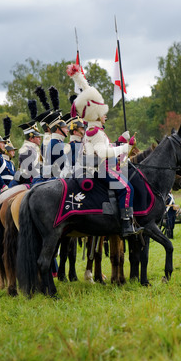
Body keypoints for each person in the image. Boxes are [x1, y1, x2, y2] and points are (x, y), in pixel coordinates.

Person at [66, 63, 141, 237]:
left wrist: (120, 142)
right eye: (103, 112)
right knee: (128, 188)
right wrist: (125, 147)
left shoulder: (94, 130)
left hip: (98, 167)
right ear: (96, 113)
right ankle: (126, 225)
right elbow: (103, 153)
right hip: (100, 170)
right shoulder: (95, 131)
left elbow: (104, 148)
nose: (105, 115)